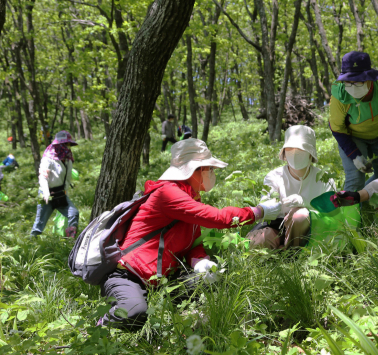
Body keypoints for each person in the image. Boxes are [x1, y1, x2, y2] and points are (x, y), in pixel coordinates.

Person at [97, 139, 281, 330]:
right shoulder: (168, 193)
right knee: (134, 313)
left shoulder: (189, 196)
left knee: (217, 283)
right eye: (209, 168)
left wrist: (199, 260)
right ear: (195, 170)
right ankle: (95, 329)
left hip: (161, 282)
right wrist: (257, 212)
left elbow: (192, 242)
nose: (212, 174)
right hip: (128, 276)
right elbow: (216, 217)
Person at [247, 125, 335, 249]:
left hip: (310, 230)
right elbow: (266, 206)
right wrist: (278, 206)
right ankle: (281, 250)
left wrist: (305, 204)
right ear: (284, 152)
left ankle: (293, 253)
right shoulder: (274, 176)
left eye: (300, 149)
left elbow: (331, 213)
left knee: (300, 215)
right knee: (256, 242)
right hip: (275, 226)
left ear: (310, 153)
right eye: (290, 149)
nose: (294, 154)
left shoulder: (323, 178)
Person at [330, 51, 378, 192]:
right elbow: (337, 128)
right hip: (354, 136)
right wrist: (354, 155)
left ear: (370, 78)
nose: (352, 86)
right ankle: (350, 213)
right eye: (348, 82)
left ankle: (366, 199)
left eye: (358, 81)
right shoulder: (340, 96)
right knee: (355, 178)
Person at [31, 131, 79, 238]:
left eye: (68, 144)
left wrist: (65, 190)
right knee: (39, 225)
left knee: (73, 213)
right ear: (59, 145)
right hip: (47, 195)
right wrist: (46, 193)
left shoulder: (68, 158)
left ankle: (70, 240)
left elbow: (66, 177)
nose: (67, 147)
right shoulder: (48, 158)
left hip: (60, 194)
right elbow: (43, 176)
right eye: (65, 144)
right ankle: (30, 244)